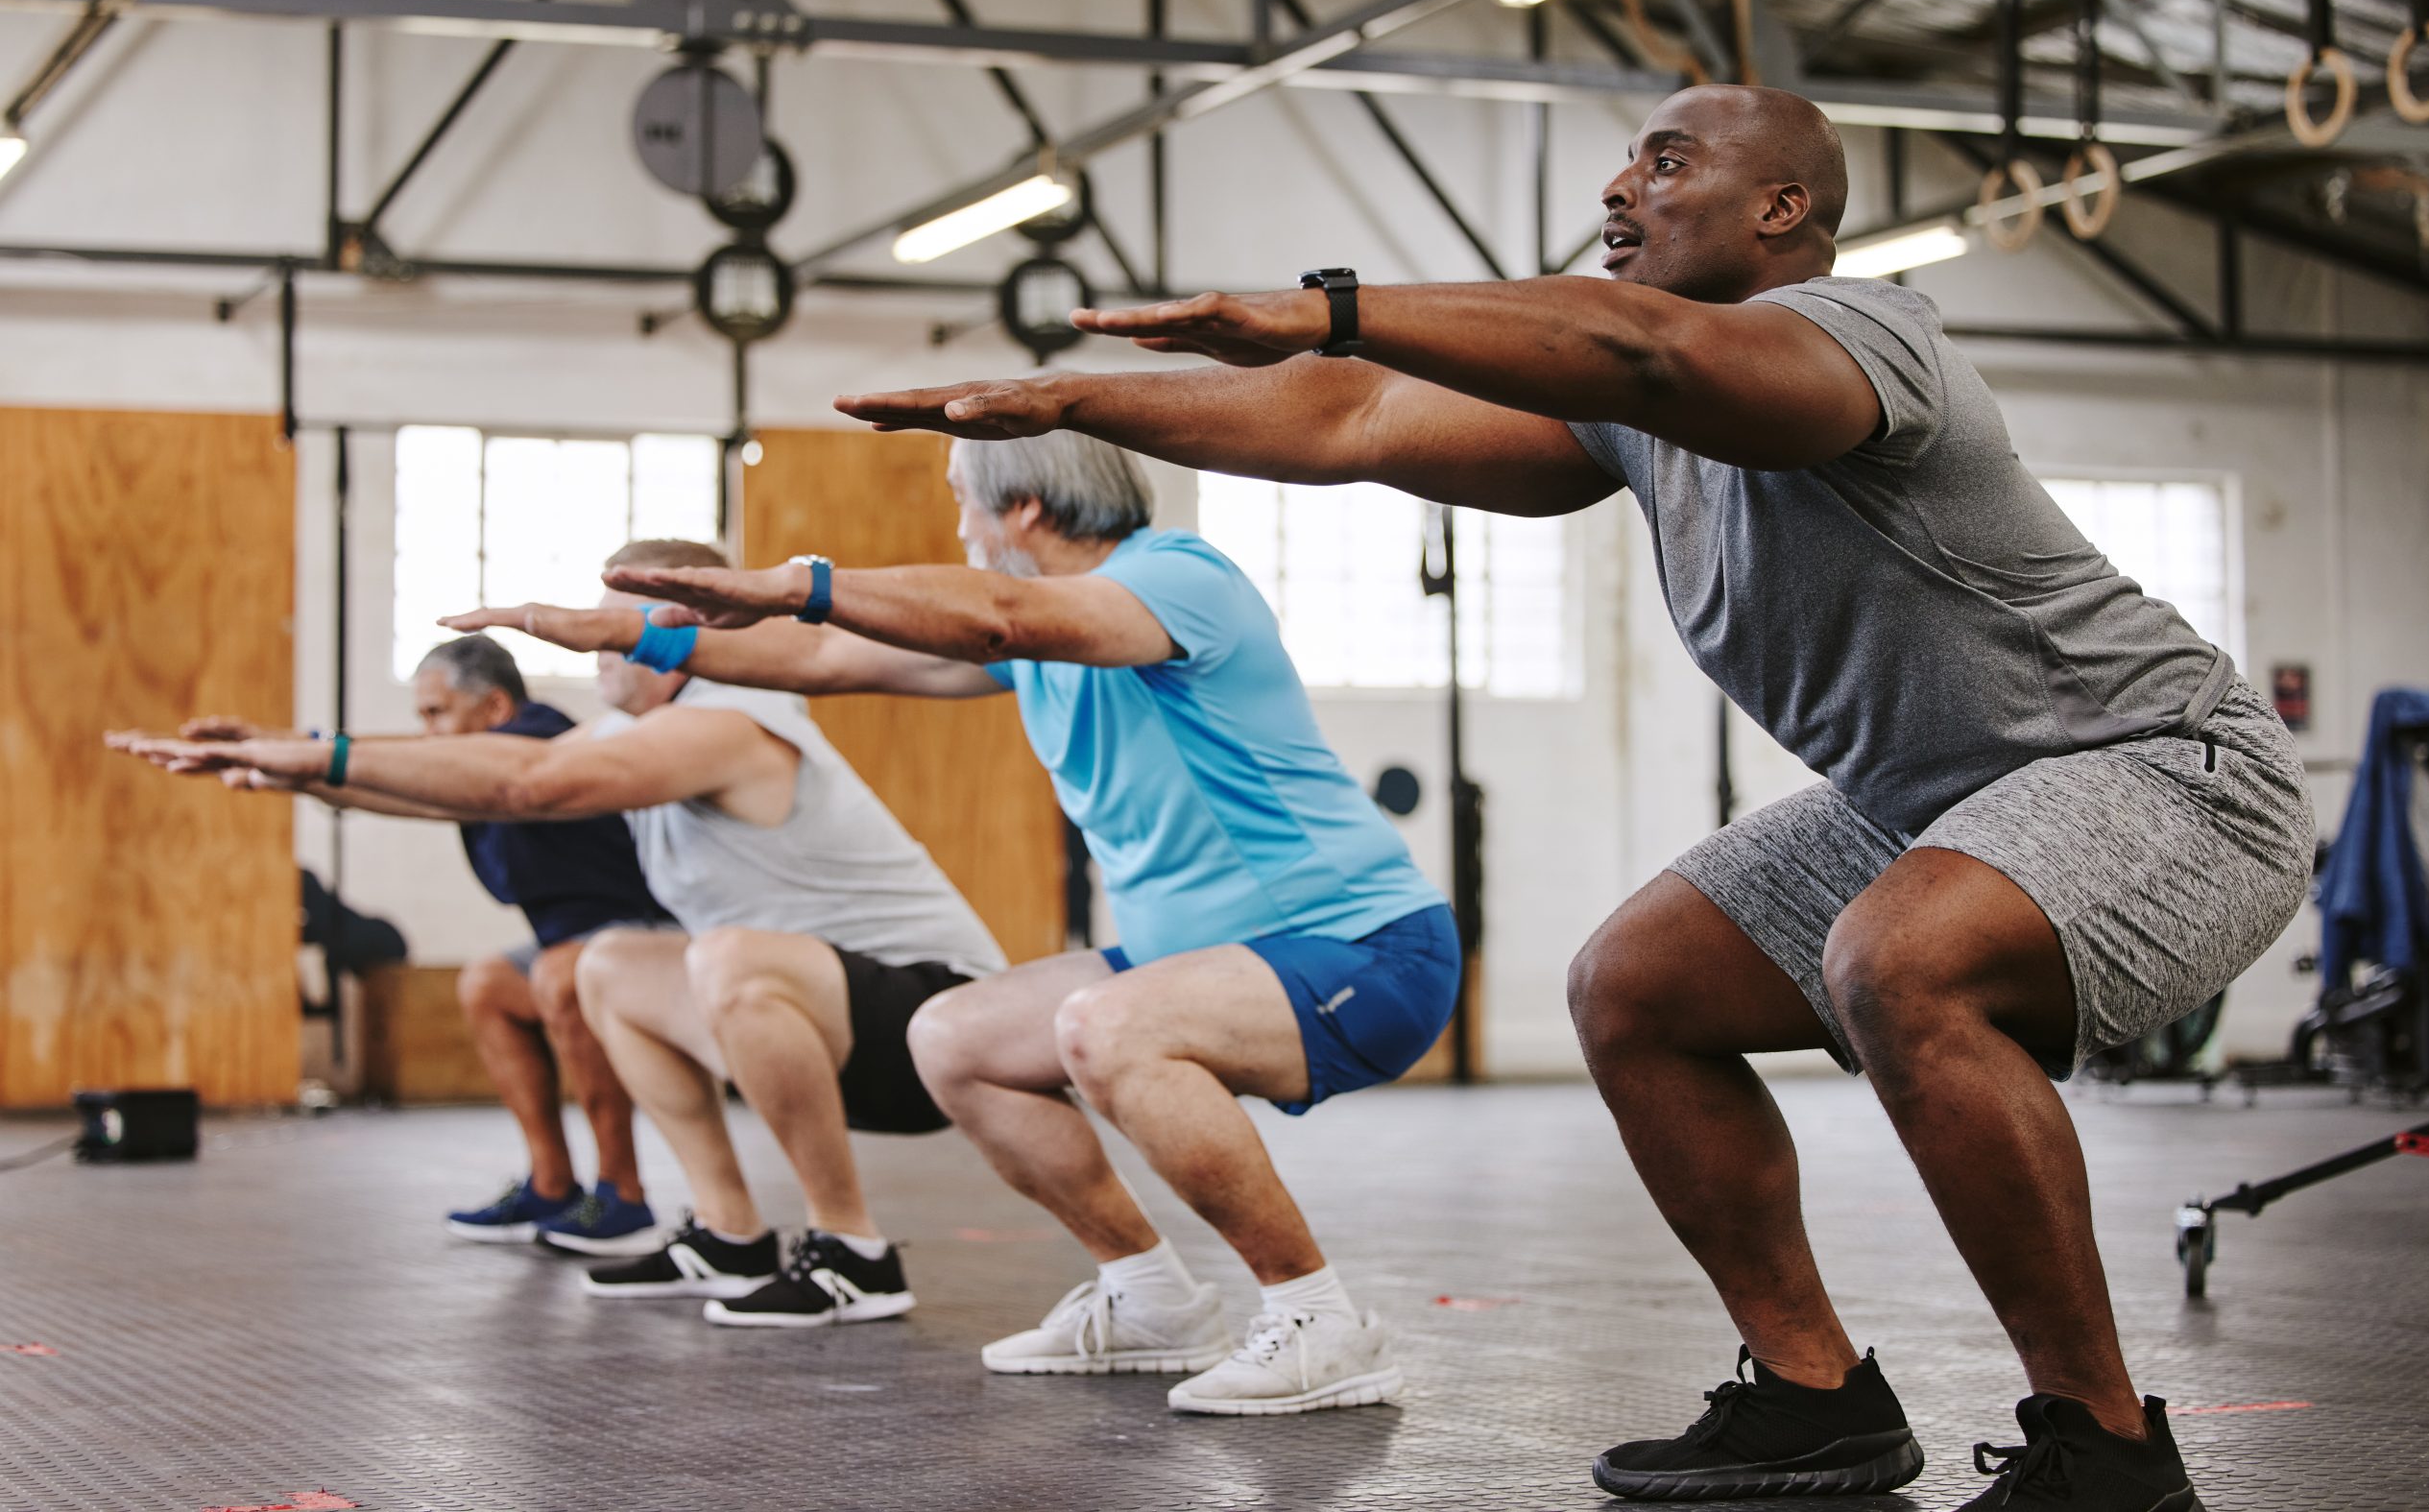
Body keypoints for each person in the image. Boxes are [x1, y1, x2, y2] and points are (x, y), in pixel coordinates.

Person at [825, 85, 2315, 1509]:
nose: (1621, 186)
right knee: (1634, 985)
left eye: (1668, 163)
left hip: (2160, 767)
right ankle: (1815, 1391)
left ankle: (2105, 1443)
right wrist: (1063, 401)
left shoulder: (1859, 337)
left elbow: (1638, 349)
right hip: (1928, 794)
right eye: (1626, 166)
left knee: (1899, 958)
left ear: (1785, 205)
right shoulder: (1632, 419)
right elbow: (1347, 425)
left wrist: (1335, 301)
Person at [439, 437, 1459, 1417]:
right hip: (1192, 960)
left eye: (963, 495)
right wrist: (635, 632)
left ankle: (1319, 1321)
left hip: (1362, 945)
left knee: (1105, 1025)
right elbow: (834, 659)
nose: (958, 522)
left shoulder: (1176, 576)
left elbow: (995, 614)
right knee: (954, 1036)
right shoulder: (1037, 641)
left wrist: (798, 578)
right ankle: (1147, 1295)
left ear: (1023, 507)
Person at [116, 540, 1007, 1331]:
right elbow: (466, 779)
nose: (591, 643)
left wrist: (320, 757)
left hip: (938, 1022)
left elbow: (530, 782)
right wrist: (296, 765)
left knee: (715, 956)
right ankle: (730, 1234)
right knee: (614, 964)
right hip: (825, 1018)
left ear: (685, 629)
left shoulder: (733, 718)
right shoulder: (643, 728)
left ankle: (852, 1253)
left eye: (611, 627)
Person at [174, 636, 673, 1253]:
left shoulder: (541, 740)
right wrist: (281, 764)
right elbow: (390, 788)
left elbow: (404, 768)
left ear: (493, 708)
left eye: (437, 714)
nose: (428, 733)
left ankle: (622, 1195)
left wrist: (295, 750)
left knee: (560, 977)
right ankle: (551, 1185)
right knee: (488, 985)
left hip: (653, 932)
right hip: (578, 939)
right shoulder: (472, 772)